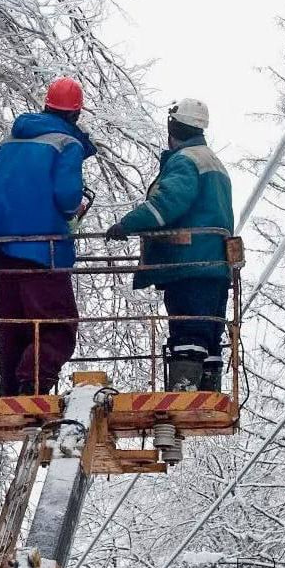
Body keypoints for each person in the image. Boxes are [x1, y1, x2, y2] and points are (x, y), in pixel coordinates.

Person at [0, 77, 97, 396]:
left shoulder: (8, 141)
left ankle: (13, 394)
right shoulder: (66, 144)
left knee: (14, 326)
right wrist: (74, 209)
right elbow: (68, 196)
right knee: (56, 325)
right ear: (75, 115)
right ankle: (34, 382)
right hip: (43, 250)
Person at [104, 98, 234, 392]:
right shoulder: (214, 162)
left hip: (188, 265)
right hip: (216, 267)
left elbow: (167, 202)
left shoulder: (185, 161)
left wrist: (128, 224)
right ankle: (208, 390)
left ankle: (185, 390)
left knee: (188, 332)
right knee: (209, 332)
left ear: (173, 127)